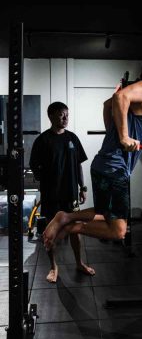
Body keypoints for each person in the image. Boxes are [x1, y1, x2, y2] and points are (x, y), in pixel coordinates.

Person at [43, 55, 142, 250]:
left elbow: (107, 104)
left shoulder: (139, 91)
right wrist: (123, 138)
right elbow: (120, 97)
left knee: (103, 212)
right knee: (118, 231)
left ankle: (65, 216)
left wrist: (115, 133)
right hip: (115, 168)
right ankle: (71, 226)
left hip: (102, 163)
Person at [29, 101, 95, 282]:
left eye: (67, 114)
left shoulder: (72, 138)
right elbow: (34, 166)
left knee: (75, 230)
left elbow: (78, 165)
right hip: (52, 195)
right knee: (51, 231)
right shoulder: (43, 140)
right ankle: (53, 267)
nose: (65, 118)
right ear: (51, 116)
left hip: (71, 194)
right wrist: (48, 180)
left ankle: (79, 263)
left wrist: (82, 188)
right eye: (61, 114)